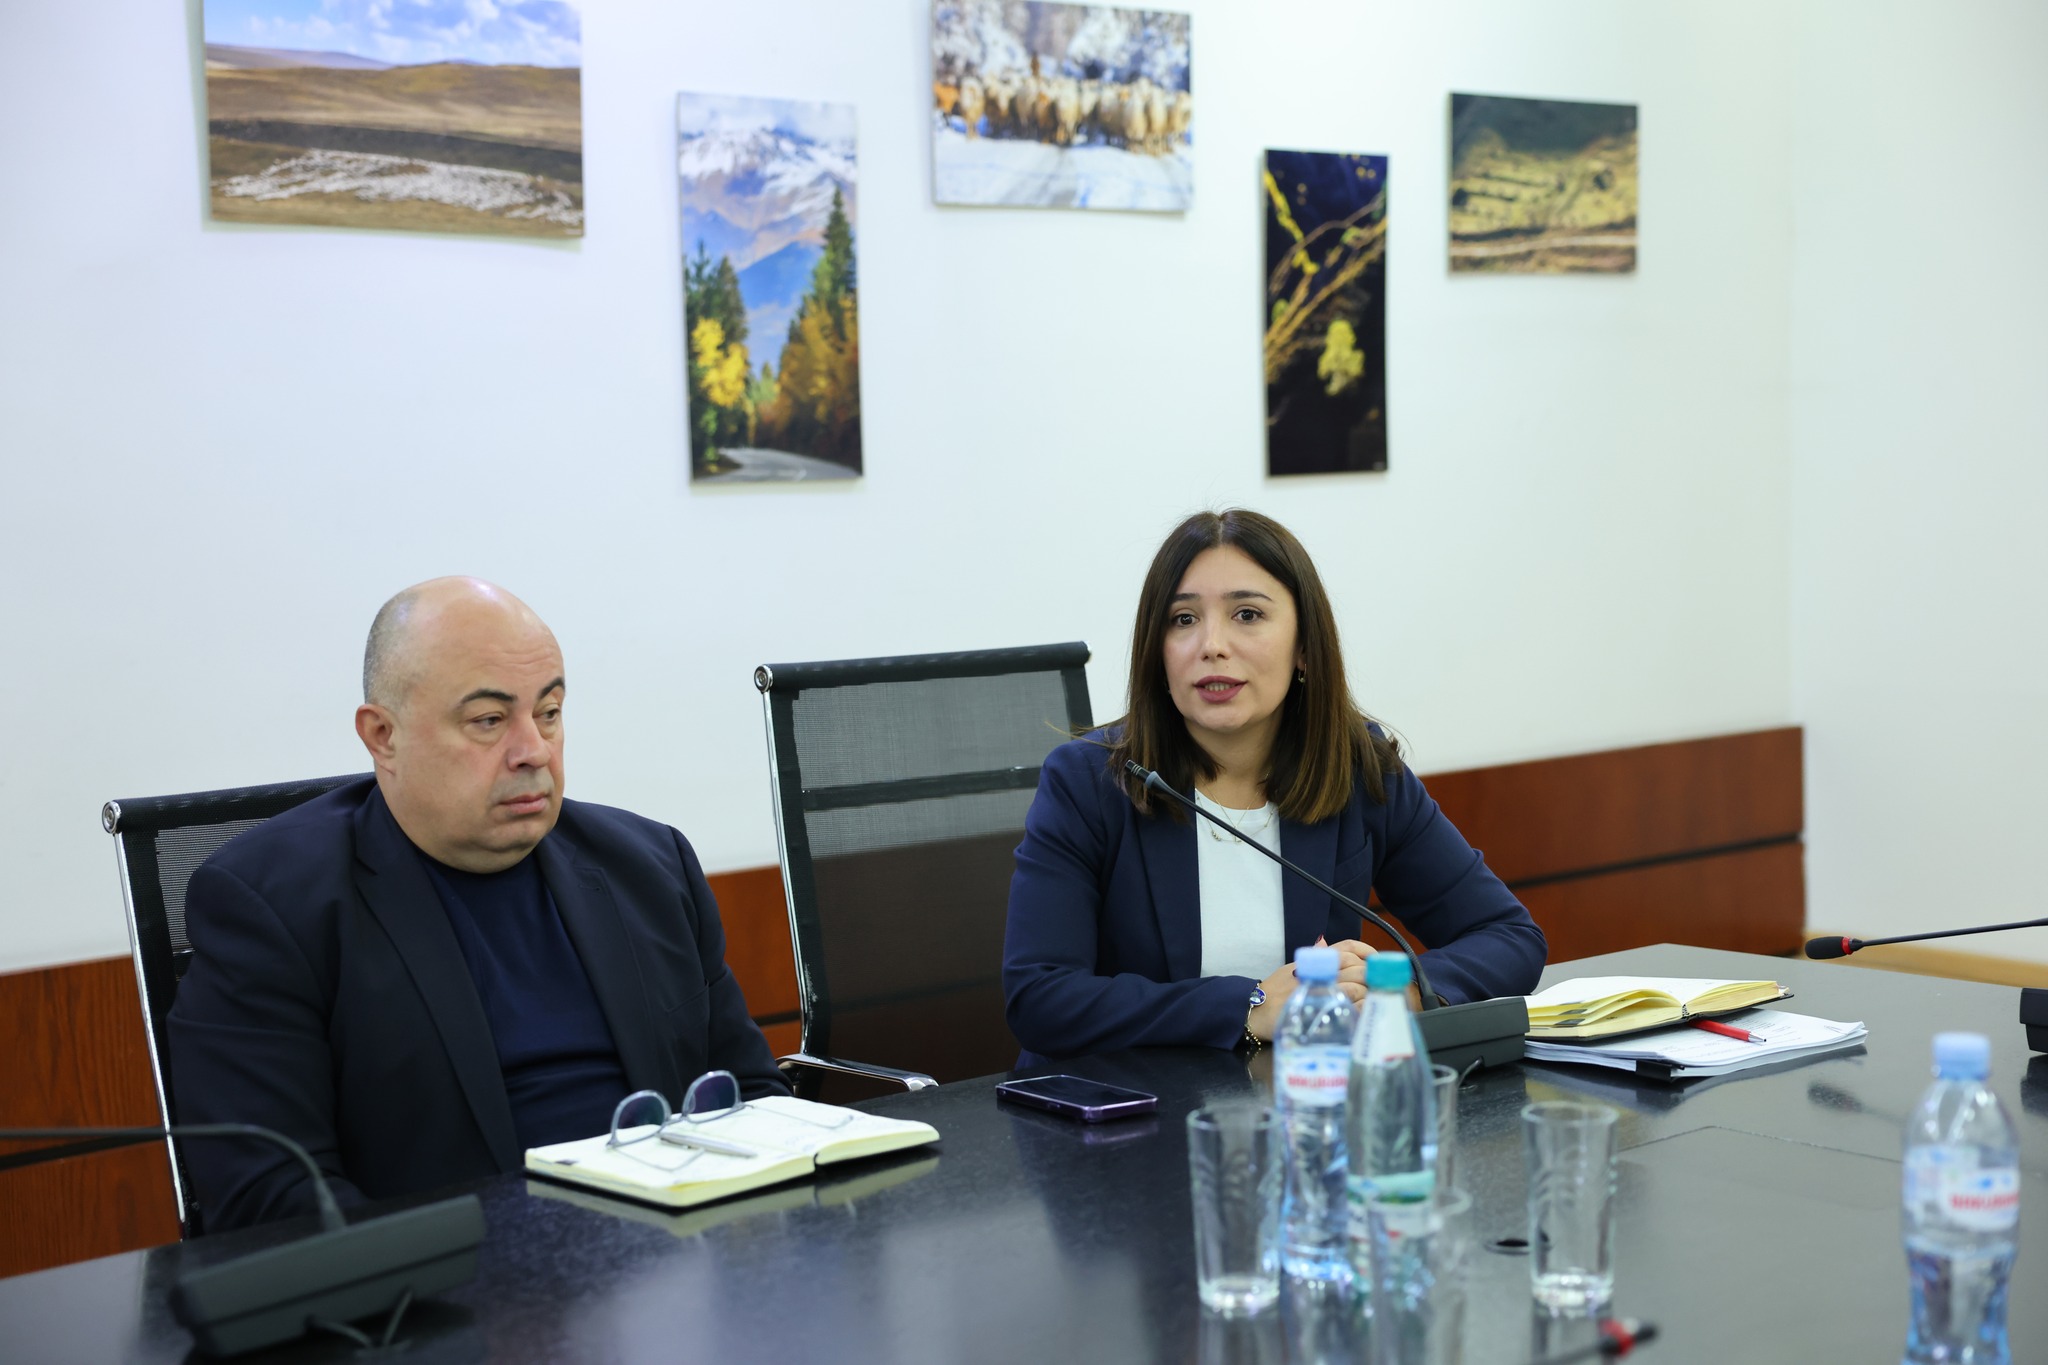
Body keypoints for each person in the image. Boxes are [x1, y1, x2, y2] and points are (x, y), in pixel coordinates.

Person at [167, 577, 786, 1232]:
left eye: (549, 712)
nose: (534, 751)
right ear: (383, 735)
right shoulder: (271, 906)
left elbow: (753, 1098)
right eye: (489, 721)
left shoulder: (650, 866)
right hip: (450, 1277)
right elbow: (271, 1196)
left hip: (676, 1257)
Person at [1002, 510, 1546, 1063]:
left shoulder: (1356, 768)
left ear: (1304, 646)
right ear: (1157, 651)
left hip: (1305, 1093)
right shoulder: (1088, 782)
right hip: (1129, 1104)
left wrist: (1403, 991)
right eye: (1183, 619)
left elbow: (1507, 936)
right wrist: (1248, 1007)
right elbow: (1040, 997)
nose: (1212, 644)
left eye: (1247, 614)